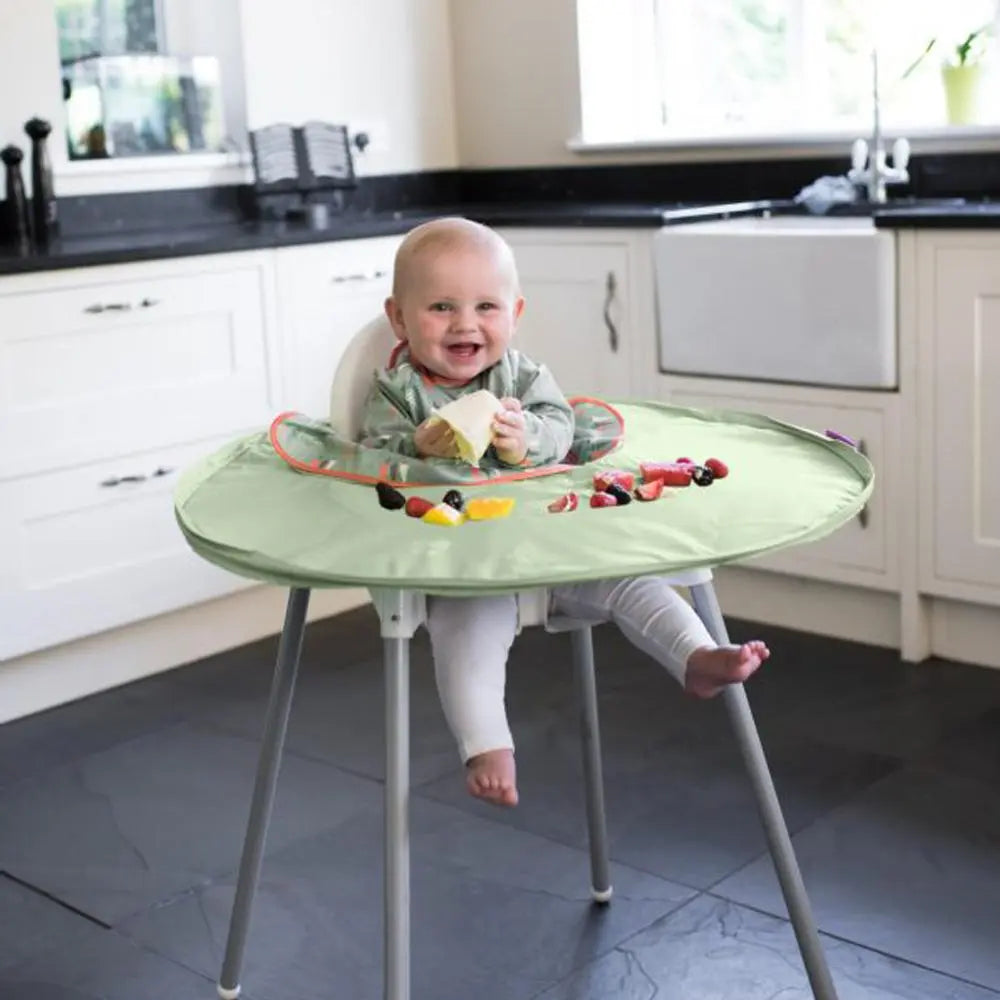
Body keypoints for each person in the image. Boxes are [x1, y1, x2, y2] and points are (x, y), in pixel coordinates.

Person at [360, 217, 769, 807]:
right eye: (442, 307)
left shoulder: (522, 377)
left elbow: (563, 427)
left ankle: (696, 655)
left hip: (555, 547)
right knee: (464, 630)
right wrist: (415, 447)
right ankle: (487, 743)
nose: (466, 324)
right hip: (468, 569)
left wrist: (529, 436)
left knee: (632, 578)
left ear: (515, 313)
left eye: (486, 307)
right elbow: (373, 459)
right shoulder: (398, 392)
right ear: (399, 318)